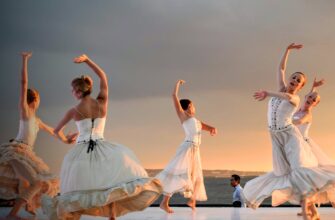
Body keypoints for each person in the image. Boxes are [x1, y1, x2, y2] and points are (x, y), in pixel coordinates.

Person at [41, 54, 162, 220]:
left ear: (78, 91)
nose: (72, 93)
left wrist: (67, 140)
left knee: (82, 188)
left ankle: (75, 214)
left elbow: (56, 131)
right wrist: (87, 60)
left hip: (82, 151)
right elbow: (103, 76)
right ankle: (112, 213)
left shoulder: (73, 111)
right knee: (110, 183)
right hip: (104, 147)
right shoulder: (102, 102)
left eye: (73, 90)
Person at [243, 43, 335, 220]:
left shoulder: (294, 97)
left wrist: (267, 93)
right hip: (275, 137)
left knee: (299, 171)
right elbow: (281, 68)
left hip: (289, 136)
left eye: (298, 81)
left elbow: (285, 97)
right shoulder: (282, 88)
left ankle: (311, 213)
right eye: (293, 78)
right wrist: (287, 50)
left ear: (301, 87)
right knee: (282, 174)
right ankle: (313, 212)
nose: (294, 81)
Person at [0, 52, 65, 219]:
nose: (39, 100)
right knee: (36, 182)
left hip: (27, 153)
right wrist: (24, 60)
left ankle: (28, 207)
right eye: (39, 97)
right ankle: (12, 215)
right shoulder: (26, 113)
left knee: (29, 182)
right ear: (34, 99)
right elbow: (23, 83)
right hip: (16, 151)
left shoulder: (37, 120)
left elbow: (53, 131)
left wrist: (67, 139)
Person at [156, 80, 217, 213]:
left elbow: (203, 126)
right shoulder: (183, 116)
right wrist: (178, 84)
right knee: (177, 174)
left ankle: (192, 200)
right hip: (187, 149)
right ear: (188, 107)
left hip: (195, 150)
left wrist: (212, 128)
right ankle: (164, 202)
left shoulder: (195, 120)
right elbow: (174, 96)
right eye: (193, 105)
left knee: (195, 175)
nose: (195, 107)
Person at [293, 78, 335, 218]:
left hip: (306, 149)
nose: (310, 99)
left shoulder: (307, 114)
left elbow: (298, 121)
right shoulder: (300, 107)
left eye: (313, 100)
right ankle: (313, 211)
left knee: (323, 182)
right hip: (296, 148)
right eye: (309, 97)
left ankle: (312, 210)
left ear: (315, 104)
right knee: (304, 180)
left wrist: (284, 120)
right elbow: (309, 96)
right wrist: (314, 87)